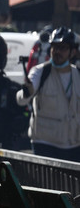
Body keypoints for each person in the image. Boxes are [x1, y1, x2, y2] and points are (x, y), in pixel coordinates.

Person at [16, 27, 80, 161]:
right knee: (48, 182)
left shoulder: (77, 74)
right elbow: (21, 99)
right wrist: (27, 92)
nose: (57, 51)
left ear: (72, 52)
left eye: (62, 48)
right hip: (45, 144)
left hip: (73, 145)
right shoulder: (40, 72)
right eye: (54, 47)